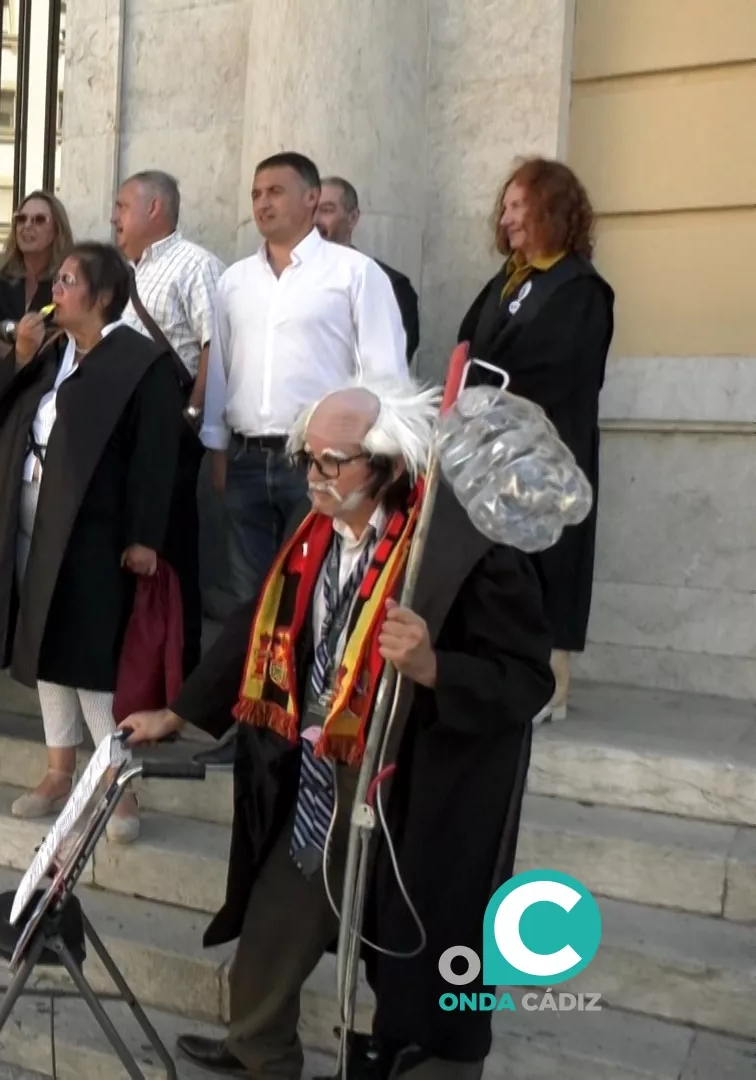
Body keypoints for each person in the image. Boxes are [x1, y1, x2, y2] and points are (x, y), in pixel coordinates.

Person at [121, 376, 552, 1080]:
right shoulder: (312, 534)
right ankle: (259, 1050)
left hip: (413, 774)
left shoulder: (459, 550)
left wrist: (434, 666)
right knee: (277, 914)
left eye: (332, 461)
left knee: (416, 952)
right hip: (320, 762)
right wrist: (177, 711)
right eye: (308, 458)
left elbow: (525, 679)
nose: (313, 476)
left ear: (382, 466)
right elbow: (256, 625)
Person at [0, 242, 192, 840]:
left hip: (96, 529)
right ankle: (57, 772)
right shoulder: (49, 351)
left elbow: (155, 456)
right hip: (33, 517)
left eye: (68, 281)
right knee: (45, 646)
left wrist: (145, 535)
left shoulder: (137, 361)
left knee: (90, 661)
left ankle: (118, 784)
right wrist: (17, 357)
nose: (55, 290)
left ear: (102, 296)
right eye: (58, 280)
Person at [212, 153, 409, 605]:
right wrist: (217, 447)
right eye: (257, 194)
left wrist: (371, 463)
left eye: (276, 192)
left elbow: (386, 378)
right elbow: (222, 368)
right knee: (251, 603)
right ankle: (257, 679)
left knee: (311, 595)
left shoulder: (354, 273)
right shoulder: (234, 281)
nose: (263, 203)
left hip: (320, 462)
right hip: (246, 458)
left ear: (312, 197)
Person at [459, 158, 613, 725]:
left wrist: (489, 387)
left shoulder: (581, 289)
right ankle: (502, 670)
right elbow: (469, 343)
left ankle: (552, 684)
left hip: (547, 455)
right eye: (506, 207)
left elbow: (552, 367)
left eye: (517, 206)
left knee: (550, 561)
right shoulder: (509, 279)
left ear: (550, 209)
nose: (506, 217)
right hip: (495, 449)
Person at [112, 169, 224, 669]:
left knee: (172, 548)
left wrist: (194, 417)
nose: (113, 217)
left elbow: (215, 347)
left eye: (121, 206)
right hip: (125, 429)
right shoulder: (121, 275)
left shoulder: (194, 264)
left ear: (154, 208)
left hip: (173, 426)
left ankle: (179, 676)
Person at [0, 191, 73, 406]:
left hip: (48, 401)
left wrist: (2, 337)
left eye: (39, 220)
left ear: (57, 230)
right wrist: (22, 355)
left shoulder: (68, 283)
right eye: (21, 219)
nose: (27, 226)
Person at [317, 177, 421, 363]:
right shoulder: (286, 279)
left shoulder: (391, 283)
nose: (314, 220)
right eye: (309, 211)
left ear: (352, 218)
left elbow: (390, 366)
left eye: (326, 210)